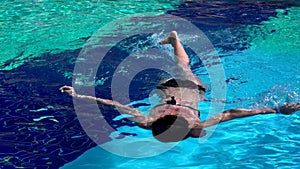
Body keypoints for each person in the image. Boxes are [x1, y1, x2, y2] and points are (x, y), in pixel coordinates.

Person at [60, 31, 300, 142]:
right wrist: (277, 110)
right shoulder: (196, 125)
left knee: (176, 69)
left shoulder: (147, 122)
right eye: (172, 115)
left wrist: (79, 94)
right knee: (184, 69)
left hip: (165, 87)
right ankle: (175, 39)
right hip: (194, 90)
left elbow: (116, 104)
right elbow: (231, 114)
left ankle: (173, 43)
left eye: (166, 115)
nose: (170, 111)